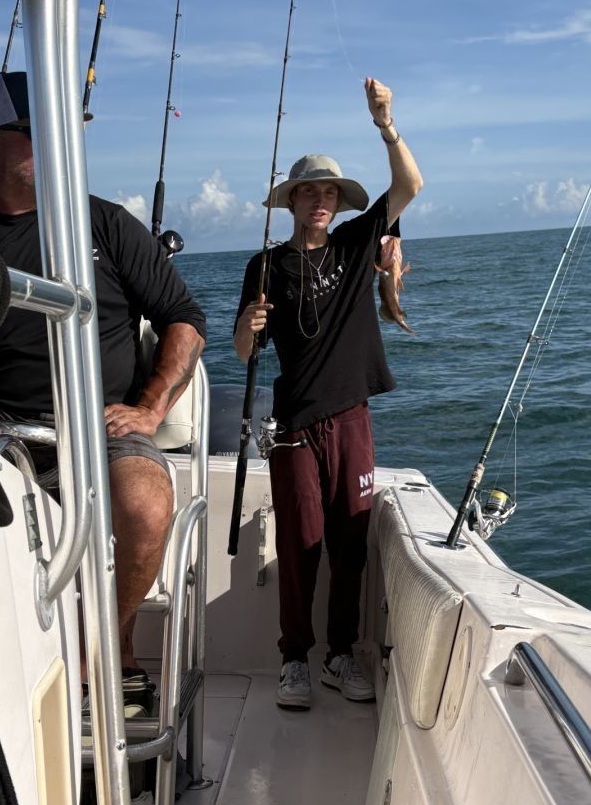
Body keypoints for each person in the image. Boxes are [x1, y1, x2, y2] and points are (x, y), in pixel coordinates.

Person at [0, 71, 207, 691]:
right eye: (35, 131)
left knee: (146, 504)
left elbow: (184, 320)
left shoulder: (104, 224)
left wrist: (153, 408)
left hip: (103, 427)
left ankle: (108, 647)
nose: (57, 144)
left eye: (63, 130)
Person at [234, 77, 423, 710]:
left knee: (350, 543)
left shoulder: (356, 241)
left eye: (328, 192)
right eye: (308, 191)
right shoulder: (264, 266)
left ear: (340, 203)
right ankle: (296, 661)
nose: (319, 200)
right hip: (293, 424)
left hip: (352, 419)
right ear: (291, 201)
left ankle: (342, 655)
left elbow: (410, 186)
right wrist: (246, 327)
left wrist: (385, 123)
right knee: (300, 545)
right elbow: (241, 353)